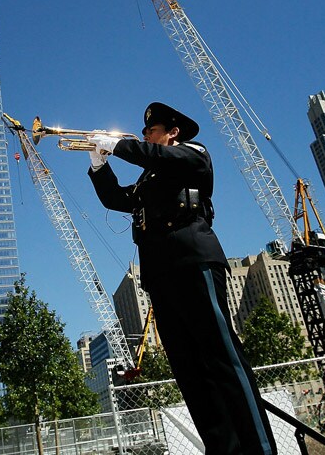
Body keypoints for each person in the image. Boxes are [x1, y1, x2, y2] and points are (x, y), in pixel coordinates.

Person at [86, 102, 277, 455]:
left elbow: (168, 159)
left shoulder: (192, 154)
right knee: (189, 372)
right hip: (159, 273)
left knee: (221, 356)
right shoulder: (149, 178)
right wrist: (99, 165)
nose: (144, 136)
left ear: (172, 132)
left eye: (151, 131)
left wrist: (120, 146)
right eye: (143, 134)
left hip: (193, 258)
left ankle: (260, 448)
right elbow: (116, 198)